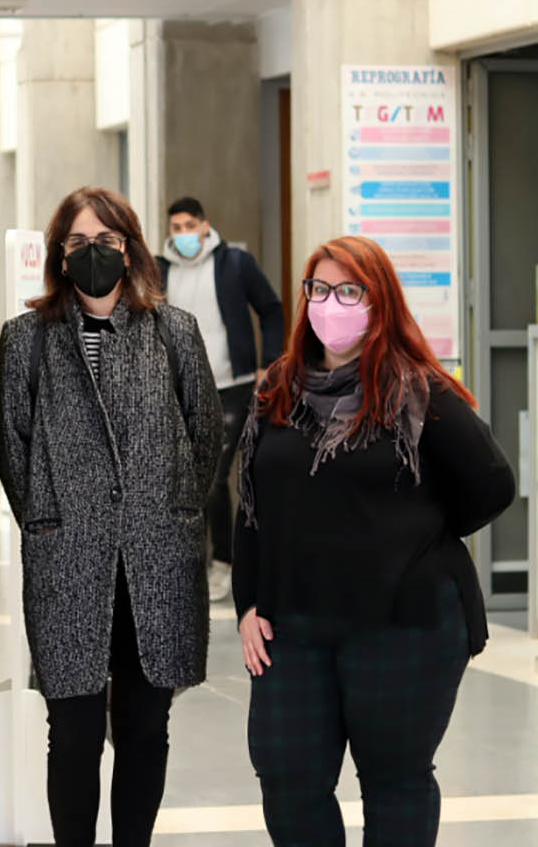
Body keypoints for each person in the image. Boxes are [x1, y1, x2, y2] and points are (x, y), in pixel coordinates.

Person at [234, 235, 514, 847]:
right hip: (294, 625)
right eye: (319, 288)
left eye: (349, 290)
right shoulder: (278, 389)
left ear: (378, 301)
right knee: (287, 777)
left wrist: (414, 537)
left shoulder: (417, 391)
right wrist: (248, 604)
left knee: (394, 780)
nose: (330, 302)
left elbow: (492, 483)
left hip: (404, 622)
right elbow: (255, 508)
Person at [0, 187, 222, 847]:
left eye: (107, 240)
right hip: (67, 557)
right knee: (72, 729)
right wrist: (52, 517)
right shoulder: (27, 338)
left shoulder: (172, 330)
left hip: (157, 556)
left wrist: (168, 508)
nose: (93, 253)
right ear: (60, 253)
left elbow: (203, 435)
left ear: (130, 247)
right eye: (78, 242)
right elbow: (11, 444)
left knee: (147, 726)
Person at [157, 196, 283, 602]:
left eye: (190, 225)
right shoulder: (158, 270)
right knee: (183, 477)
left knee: (213, 478)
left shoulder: (234, 264)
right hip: (178, 387)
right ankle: (189, 561)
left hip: (232, 386)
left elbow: (271, 309)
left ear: (205, 226)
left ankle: (222, 563)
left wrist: (269, 362)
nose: (184, 235)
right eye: (176, 228)